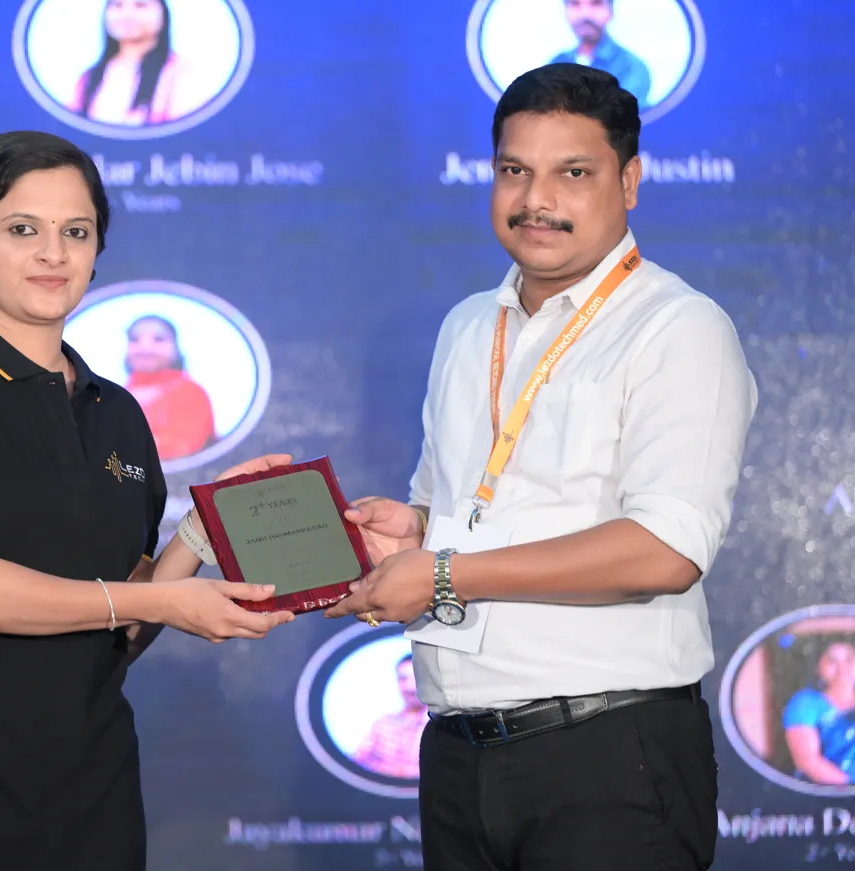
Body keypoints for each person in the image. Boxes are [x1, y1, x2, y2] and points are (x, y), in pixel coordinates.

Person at [0, 130, 294, 871]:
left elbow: (122, 632)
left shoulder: (117, 413)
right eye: (22, 230)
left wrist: (198, 538)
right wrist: (160, 603)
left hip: (88, 798)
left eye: (75, 232)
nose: (53, 253)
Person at [326, 63, 757, 870]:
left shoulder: (677, 328)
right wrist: (413, 530)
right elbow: (458, 507)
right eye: (514, 171)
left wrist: (446, 572)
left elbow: (665, 551)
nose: (536, 200)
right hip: (457, 754)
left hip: (605, 755)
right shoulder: (465, 327)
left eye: (574, 173)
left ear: (629, 181)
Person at [65, 0, 200, 126]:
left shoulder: (179, 72)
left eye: (140, 5)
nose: (127, 15)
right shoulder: (89, 77)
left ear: (163, 16)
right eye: (118, 5)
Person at [783, 640, 855, 786]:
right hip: (822, 795)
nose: (842, 667)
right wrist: (853, 794)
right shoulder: (806, 703)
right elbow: (807, 761)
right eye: (832, 660)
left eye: (849, 659)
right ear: (818, 667)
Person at [124, 314, 215, 460]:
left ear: (176, 348)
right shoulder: (113, 396)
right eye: (135, 339)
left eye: (158, 339)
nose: (145, 347)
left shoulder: (190, 392)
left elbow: (180, 448)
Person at [549, 0, 650, 108]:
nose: (585, 14)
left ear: (611, 11)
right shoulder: (556, 64)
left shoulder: (632, 68)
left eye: (596, 4)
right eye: (575, 4)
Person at [351, 653, 428, 779]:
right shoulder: (384, 724)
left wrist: (400, 772)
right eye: (403, 679)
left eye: (417, 678)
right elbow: (358, 761)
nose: (410, 687)